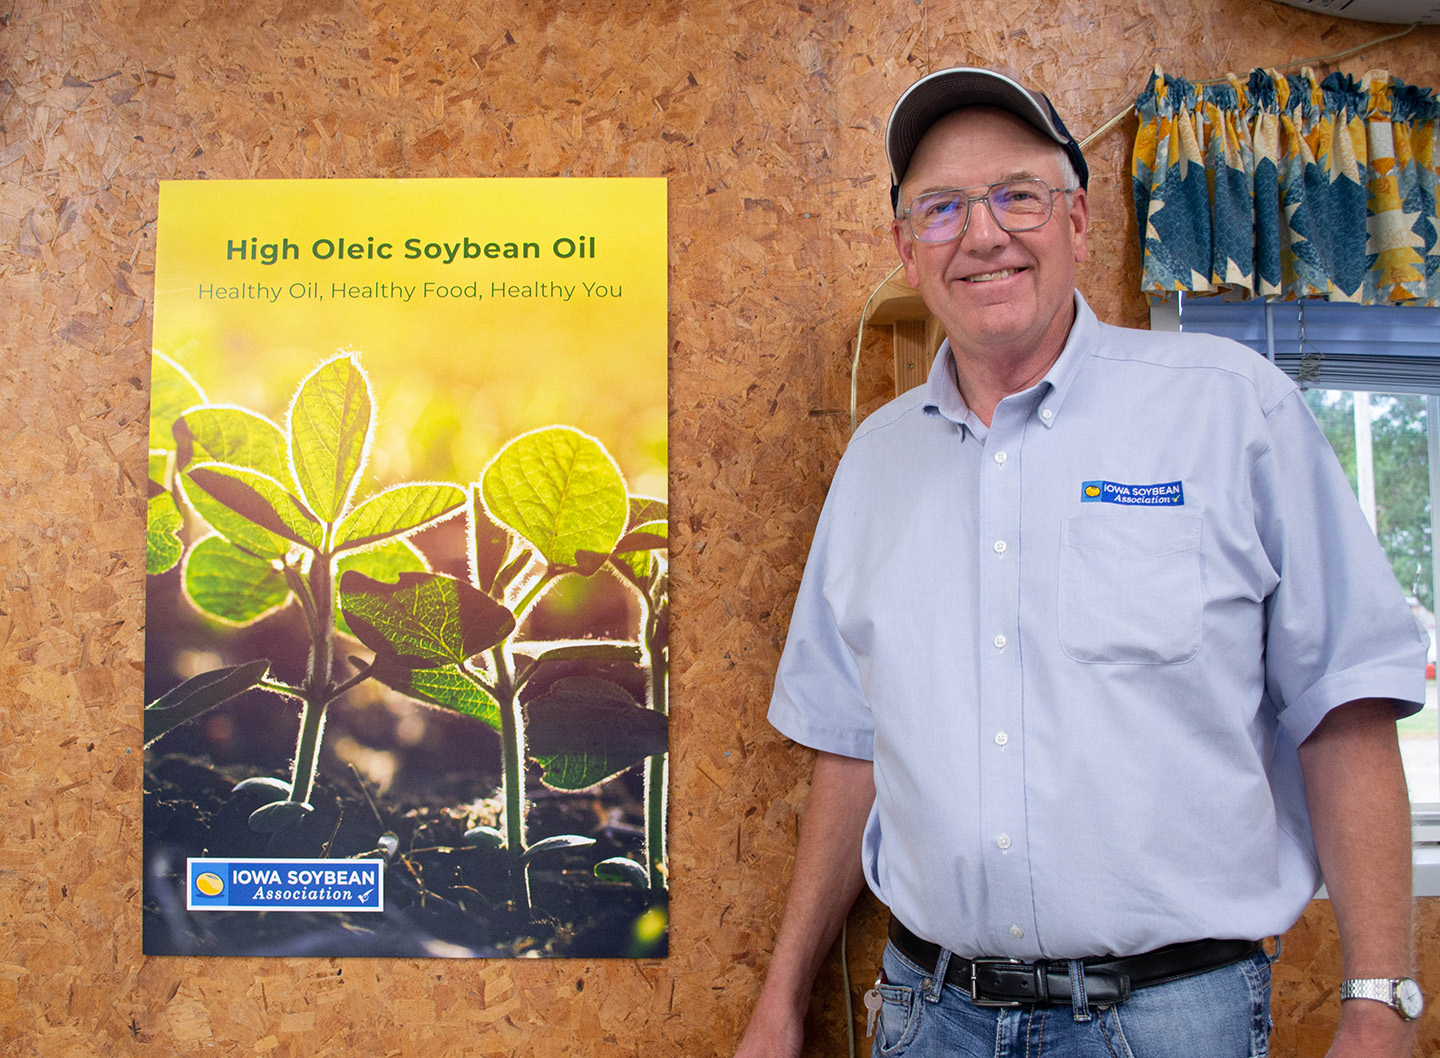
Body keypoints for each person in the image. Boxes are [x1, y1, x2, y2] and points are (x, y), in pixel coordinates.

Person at [735, 67, 1427, 1058]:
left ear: (1078, 221)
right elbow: (852, 748)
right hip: (932, 1014)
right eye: (941, 209)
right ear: (906, 245)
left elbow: (1344, 705)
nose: (982, 234)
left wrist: (1378, 997)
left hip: (1170, 1019)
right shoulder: (877, 464)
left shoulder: (1233, 410)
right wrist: (780, 998)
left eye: (1017, 194)